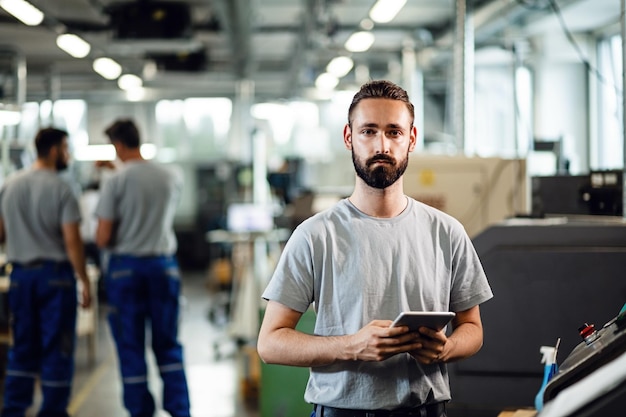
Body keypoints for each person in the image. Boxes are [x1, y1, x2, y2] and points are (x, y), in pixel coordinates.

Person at [257, 80, 493, 417]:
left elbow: (473, 329)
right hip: (340, 411)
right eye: (368, 131)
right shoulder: (314, 235)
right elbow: (270, 343)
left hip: (424, 409)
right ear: (348, 137)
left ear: (411, 139)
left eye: (394, 132)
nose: (382, 144)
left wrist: (447, 348)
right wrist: (353, 346)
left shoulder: (447, 232)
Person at [94, 119, 191, 417]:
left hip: (126, 270)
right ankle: (179, 410)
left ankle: (140, 412)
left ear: (119, 145)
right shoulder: (170, 175)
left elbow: (103, 236)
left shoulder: (116, 181)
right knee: (168, 344)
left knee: (131, 346)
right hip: (164, 267)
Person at [0, 127, 92, 417]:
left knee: (22, 346)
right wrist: (85, 280)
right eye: (66, 148)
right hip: (55, 278)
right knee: (57, 347)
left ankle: (13, 410)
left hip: (20, 277)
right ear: (53, 150)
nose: (68, 154)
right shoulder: (62, 187)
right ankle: (52, 412)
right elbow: (72, 242)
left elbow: (0, 233)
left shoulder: (9, 185)